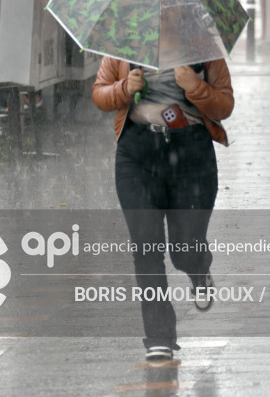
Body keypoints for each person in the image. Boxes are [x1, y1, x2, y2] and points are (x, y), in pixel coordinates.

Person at [92, 56, 233, 363]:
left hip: (192, 154)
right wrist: (124, 88)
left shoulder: (201, 45)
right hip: (137, 154)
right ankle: (159, 335)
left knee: (184, 248)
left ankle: (198, 268)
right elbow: (100, 94)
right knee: (146, 244)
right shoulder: (125, 44)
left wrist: (194, 86)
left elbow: (224, 105)